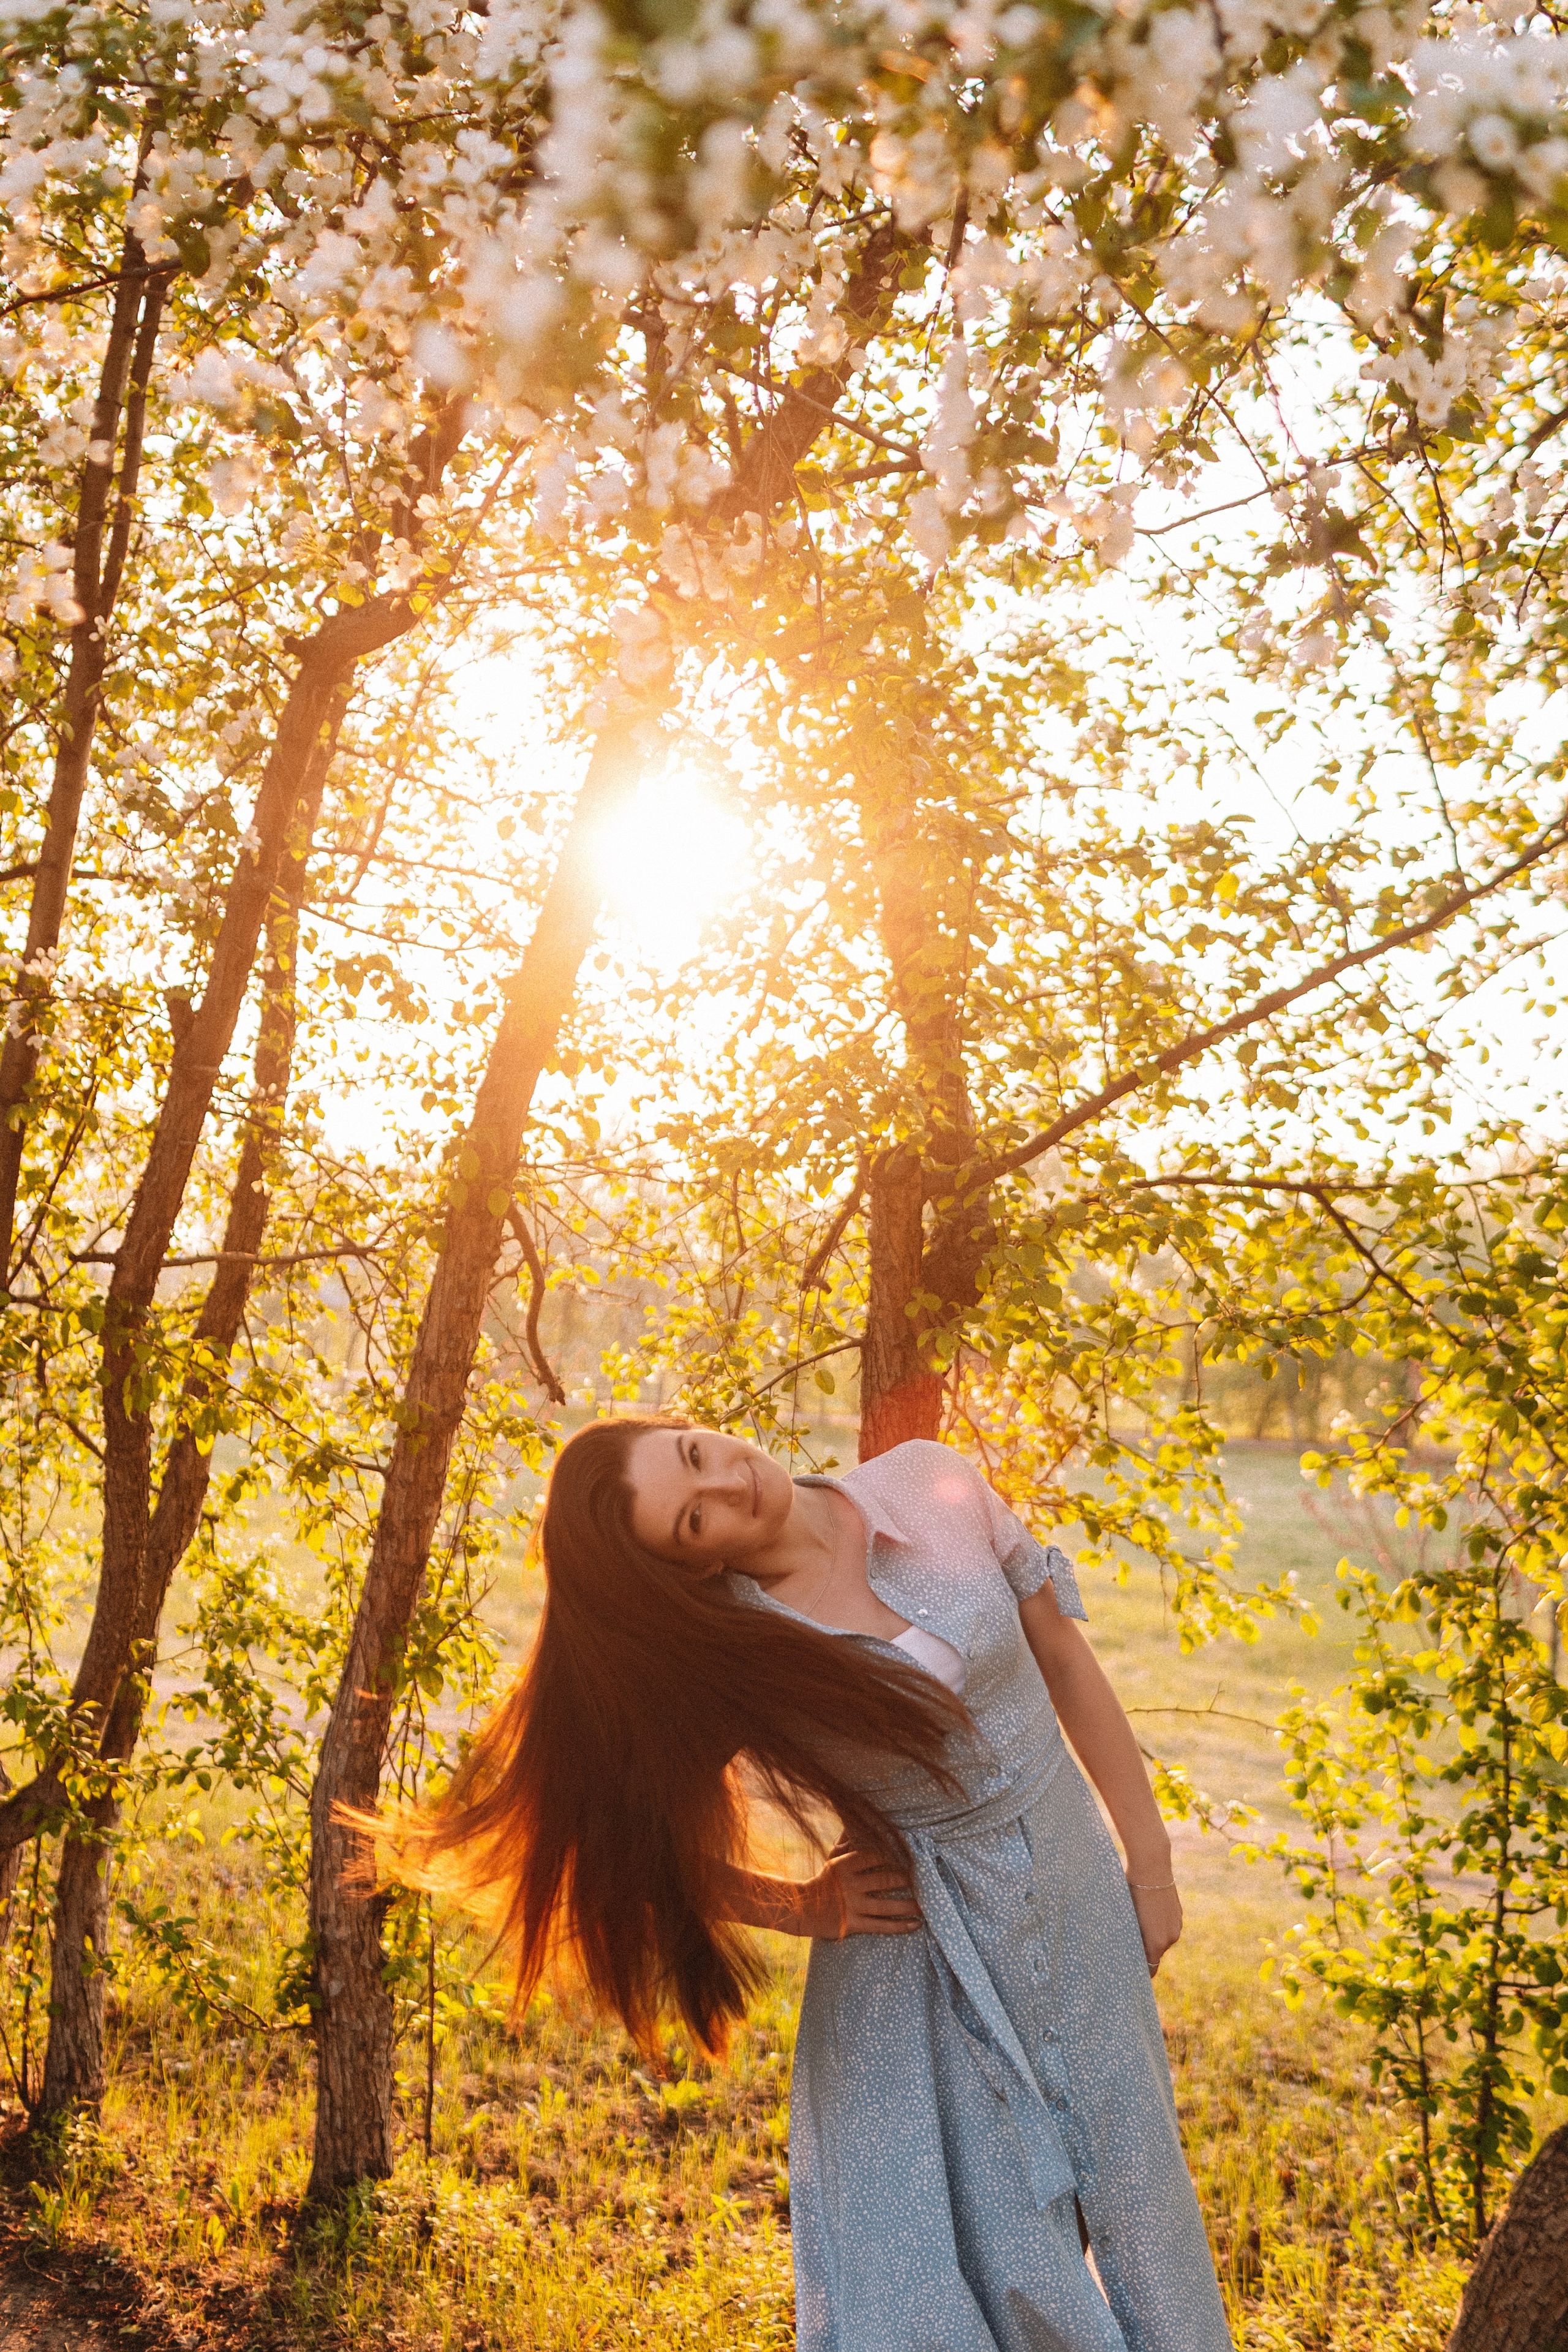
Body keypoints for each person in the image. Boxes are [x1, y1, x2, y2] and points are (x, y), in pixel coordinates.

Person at [382, 1417, 1234, 2352]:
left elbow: (1066, 1663)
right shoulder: (734, 1648)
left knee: (1139, 2187)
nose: (730, 1487)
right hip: (916, 1973)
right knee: (989, 2273)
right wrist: (801, 1905)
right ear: (695, 1565)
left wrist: (1149, 1868)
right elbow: (625, 1843)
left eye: (697, 1458)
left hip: (1076, 1898)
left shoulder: (927, 1480)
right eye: (695, 1522)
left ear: (693, 1428)